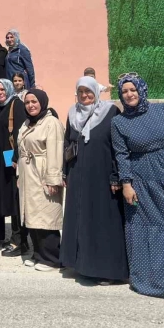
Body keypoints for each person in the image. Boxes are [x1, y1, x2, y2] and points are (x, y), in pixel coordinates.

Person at [111, 74, 164, 299]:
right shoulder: (119, 122)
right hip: (143, 183)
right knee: (148, 228)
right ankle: (154, 279)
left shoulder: (161, 110)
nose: (129, 94)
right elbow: (122, 155)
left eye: (132, 89)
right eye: (124, 91)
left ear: (141, 90)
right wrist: (126, 184)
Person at [61, 77, 127, 284]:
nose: (85, 95)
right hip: (78, 175)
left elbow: (118, 147)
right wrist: (65, 172)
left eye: (88, 91)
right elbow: (67, 143)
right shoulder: (73, 113)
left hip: (103, 176)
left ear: (96, 92)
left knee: (103, 220)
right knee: (81, 218)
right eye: (81, 91)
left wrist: (116, 175)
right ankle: (82, 264)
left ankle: (107, 270)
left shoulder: (110, 112)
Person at [18, 89, 64, 271]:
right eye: (27, 102)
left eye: (34, 101)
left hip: (42, 173)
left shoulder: (51, 123)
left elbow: (56, 151)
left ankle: (51, 258)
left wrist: (53, 179)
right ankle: (38, 254)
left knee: (46, 216)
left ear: (42, 102)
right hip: (28, 174)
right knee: (32, 216)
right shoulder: (27, 123)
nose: (30, 105)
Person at [0, 79, 28, 257]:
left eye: (2, 89)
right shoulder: (0, 107)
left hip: (12, 159)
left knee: (15, 199)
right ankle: (16, 237)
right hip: (3, 159)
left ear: (9, 89)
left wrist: (15, 158)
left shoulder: (16, 105)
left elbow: (21, 134)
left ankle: (19, 241)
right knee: (10, 198)